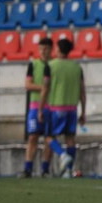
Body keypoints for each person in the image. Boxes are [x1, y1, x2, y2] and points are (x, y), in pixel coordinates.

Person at [43, 38, 85, 178]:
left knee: (49, 136)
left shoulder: (50, 66)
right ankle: (68, 171)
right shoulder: (77, 67)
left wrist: (40, 108)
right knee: (70, 139)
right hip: (72, 109)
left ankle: (62, 155)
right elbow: (82, 91)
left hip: (56, 107)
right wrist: (83, 111)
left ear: (58, 50)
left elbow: (45, 88)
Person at [20, 35, 52, 177]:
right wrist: (44, 88)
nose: (43, 51)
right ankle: (28, 168)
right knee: (33, 137)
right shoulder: (33, 64)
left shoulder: (54, 65)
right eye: (41, 48)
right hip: (35, 106)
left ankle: (45, 169)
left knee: (49, 138)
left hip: (51, 106)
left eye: (45, 48)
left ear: (51, 49)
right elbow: (27, 85)